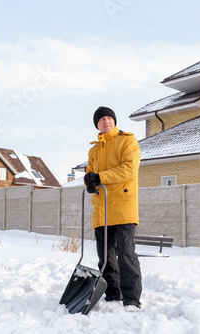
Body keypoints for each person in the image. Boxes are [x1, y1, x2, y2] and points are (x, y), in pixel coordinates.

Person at [84, 106, 142, 310]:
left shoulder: (128, 141)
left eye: (109, 118)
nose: (106, 121)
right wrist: (89, 182)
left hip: (123, 207)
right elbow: (90, 174)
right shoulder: (93, 150)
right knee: (105, 257)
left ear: (114, 121)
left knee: (126, 255)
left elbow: (128, 170)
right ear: (97, 124)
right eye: (101, 119)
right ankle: (113, 293)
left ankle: (132, 299)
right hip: (102, 209)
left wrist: (100, 178)